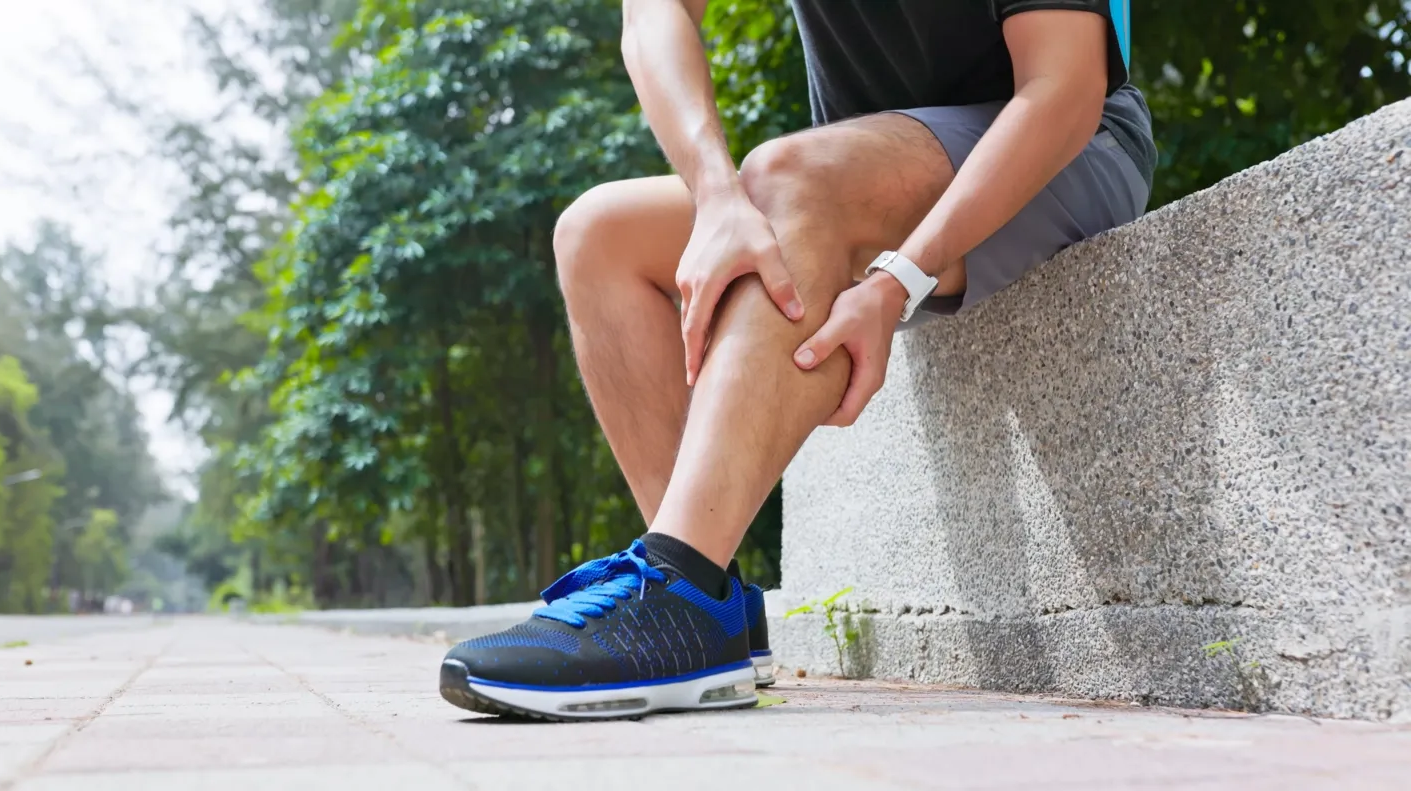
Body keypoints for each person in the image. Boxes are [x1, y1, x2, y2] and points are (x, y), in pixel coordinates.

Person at [439, 0, 1156, 720]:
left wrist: (901, 276)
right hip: (856, 184)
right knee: (599, 235)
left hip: (1068, 154)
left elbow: (1063, 90)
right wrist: (717, 196)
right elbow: (652, 12)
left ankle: (676, 581)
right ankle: (703, 602)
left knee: (789, 170)